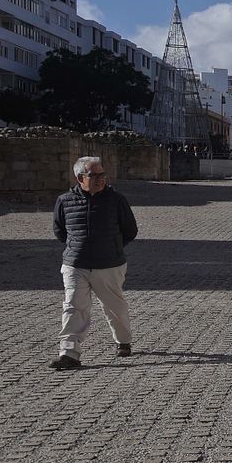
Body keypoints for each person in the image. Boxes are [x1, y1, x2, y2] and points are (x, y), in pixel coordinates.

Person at [50, 157, 138, 370]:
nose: (100, 179)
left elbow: (130, 230)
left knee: (114, 306)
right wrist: (77, 247)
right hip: (75, 263)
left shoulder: (116, 200)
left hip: (109, 264)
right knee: (73, 307)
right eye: (94, 175)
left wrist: (112, 247)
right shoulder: (64, 200)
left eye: (102, 174)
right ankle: (69, 353)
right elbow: (60, 230)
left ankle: (123, 341)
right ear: (80, 178)